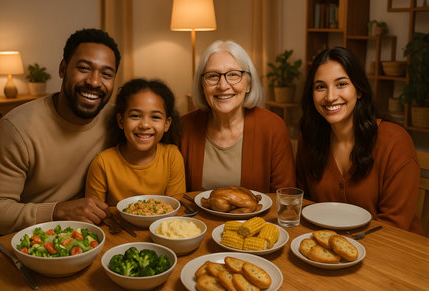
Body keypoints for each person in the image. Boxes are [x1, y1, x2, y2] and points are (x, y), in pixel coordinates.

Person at [0, 28, 121, 236]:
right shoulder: (17, 127)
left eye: (106, 74)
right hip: (24, 242)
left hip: (86, 237)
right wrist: (57, 211)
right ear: (63, 69)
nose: (94, 82)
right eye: (84, 68)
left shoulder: (116, 120)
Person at [296, 46, 423, 234]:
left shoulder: (395, 142)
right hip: (329, 251)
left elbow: (395, 227)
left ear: (359, 90)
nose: (330, 97)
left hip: (396, 252)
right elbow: (303, 205)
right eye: (320, 86)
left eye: (341, 84)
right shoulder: (309, 138)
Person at [180, 40, 295, 193]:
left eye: (233, 74)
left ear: (248, 84)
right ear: (202, 85)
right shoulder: (184, 127)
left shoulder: (273, 127)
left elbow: (285, 197)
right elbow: (176, 197)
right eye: (213, 76)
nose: (223, 86)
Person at [85, 78, 185, 205]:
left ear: (166, 124)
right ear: (121, 121)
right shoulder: (103, 163)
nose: (145, 125)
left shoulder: (172, 157)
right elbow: (94, 213)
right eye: (135, 116)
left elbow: (176, 208)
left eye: (155, 117)